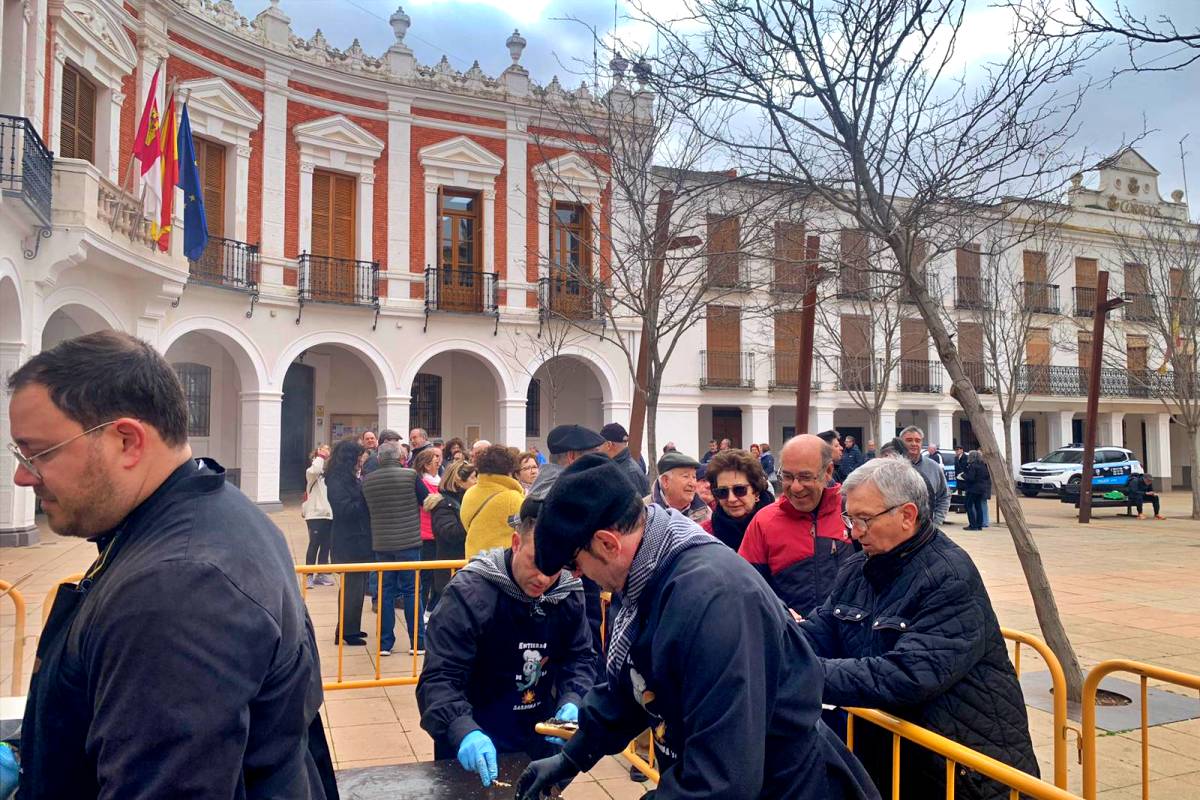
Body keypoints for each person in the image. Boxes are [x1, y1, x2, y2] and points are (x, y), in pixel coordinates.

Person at [5, 331, 335, 798]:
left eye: (37, 453)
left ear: (126, 441)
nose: (22, 475)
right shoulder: (212, 510)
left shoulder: (177, 587)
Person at [514, 455, 878, 800]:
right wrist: (573, 756)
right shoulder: (647, 569)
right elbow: (635, 683)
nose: (578, 576)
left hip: (787, 787)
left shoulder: (714, 600)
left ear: (607, 543)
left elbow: (721, 778)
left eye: (575, 564)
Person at [800, 457, 1038, 800]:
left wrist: (801, 674)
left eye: (864, 519)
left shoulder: (948, 575)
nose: (854, 531)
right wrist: (769, 643)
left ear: (907, 515)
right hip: (898, 762)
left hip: (963, 773)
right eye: (849, 518)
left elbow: (909, 674)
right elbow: (820, 630)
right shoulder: (859, 567)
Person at [418, 495, 595, 788]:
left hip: (538, 741)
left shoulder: (567, 594)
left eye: (554, 567)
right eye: (535, 562)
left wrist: (574, 699)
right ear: (516, 543)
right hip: (474, 736)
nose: (543, 578)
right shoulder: (469, 593)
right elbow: (439, 677)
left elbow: (581, 658)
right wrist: (462, 729)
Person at [738, 435, 854, 618]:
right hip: (790, 633)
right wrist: (779, 612)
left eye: (805, 477)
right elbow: (746, 589)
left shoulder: (853, 513)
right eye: (787, 477)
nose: (796, 487)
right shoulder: (764, 522)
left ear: (828, 472)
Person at [361, 441, 426, 655]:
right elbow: (427, 500)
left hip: (382, 543)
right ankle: (417, 642)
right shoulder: (410, 476)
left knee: (385, 592)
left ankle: (385, 644)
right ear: (400, 457)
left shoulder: (368, 480)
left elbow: (365, 509)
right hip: (409, 542)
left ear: (379, 458)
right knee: (411, 591)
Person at [327, 438, 373, 646]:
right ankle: (347, 631)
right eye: (359, 457)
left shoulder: (350, 478)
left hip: (358, 539)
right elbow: (344, 509)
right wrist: (365, 498)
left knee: (357, 586)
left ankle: (350, 626)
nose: (361, 461)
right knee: (352, 587)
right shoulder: (337, 480)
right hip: (348, 540)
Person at [701, 448, 774, 551]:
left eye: (740, 490)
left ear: (756, 491)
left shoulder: (778, 525)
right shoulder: (704, 534)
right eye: (723, 492)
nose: (731, 499)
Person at [425, 461, 478, 599]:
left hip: (463, 569)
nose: (476, 482)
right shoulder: (443, 505)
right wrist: (474, 520)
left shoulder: (464, 502)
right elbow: (451, 533)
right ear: (459, 481)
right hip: (450, 570)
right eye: (473, 477)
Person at [462, 444, 526, 556]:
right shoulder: (513, 498)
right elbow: (525, 527)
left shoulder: (469, 493)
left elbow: (466, 524)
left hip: (473, 559)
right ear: (509, 470)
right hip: (501, 561)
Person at [528, 424, 607, 498]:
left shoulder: (539, 485)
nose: (598, 461)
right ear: (572, 456)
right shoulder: (571, 494)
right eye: (594, 455)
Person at [899, 425, 951, 526]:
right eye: (909, 440)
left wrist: (936, 522)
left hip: (925, 528)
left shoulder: (934, 467)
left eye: (917, 441)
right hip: (898, 528)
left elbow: (944, 496)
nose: (914, 444)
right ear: (901, 443)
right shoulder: (892, 467)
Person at [647, 450, 712, 526]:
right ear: (666, 481)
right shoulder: (644, 511)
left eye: (694, 477)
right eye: (686, 476)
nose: (692, 483)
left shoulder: (705, 512)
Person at [415, 447, 444, 613]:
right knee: (426, 578)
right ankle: (422, 611)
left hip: (439, 534)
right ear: (426, 465)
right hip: (426, 535)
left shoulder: (440, 482)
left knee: (438, 578)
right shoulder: (422, 483)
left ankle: (431, 610)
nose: (438, 462)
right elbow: (427, 503)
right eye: (435, 460)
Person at [301, 444, 335, 588]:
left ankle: (321, 574)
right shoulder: (311, 473)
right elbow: (315, 469)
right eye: (322, 451)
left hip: (329, 515)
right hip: (315, 515)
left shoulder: (331, 475)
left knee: (326, 545)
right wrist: (320, 456)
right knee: (314, 544)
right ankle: (308, 575)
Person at [599, 422, 650, 496]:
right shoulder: (619, 467)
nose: (599, 449)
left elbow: (636, 502)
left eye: (600, 444)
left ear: (609, 445)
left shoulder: (630, 473)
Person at [959, 450, 992, 531]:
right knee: (978, 506)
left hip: (973, 489)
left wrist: (963, 476)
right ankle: (979, 525)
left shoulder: (973, 466)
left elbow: (971, 478)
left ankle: (973, 525)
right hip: (981, 488)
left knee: (968, 505)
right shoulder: (983, 465)